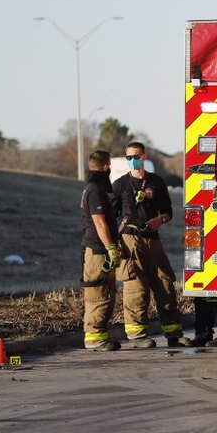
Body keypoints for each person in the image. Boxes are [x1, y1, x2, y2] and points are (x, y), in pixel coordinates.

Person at [112, 141, 188, 348]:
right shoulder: (119, 185)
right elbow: (111, 217)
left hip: (153, 239)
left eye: (136, 156)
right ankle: (137, 336)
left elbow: (168, 212)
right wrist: (113, 245)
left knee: (165, 284)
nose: (132, 160)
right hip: (130, 239)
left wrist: (160, 220)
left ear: (144, 156)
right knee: (136, 288)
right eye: (128, 157)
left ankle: (174, 333)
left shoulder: (157, 182)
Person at [79, 150, 121, 351]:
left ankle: (99, 337)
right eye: (110, 166)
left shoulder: (92, 188)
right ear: (106, 167)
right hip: (97, 251)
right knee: (98, 294)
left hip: (97, 250)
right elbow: (99, 221)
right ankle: (94, 339)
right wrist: (110, 247)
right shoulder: (95, 190)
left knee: (105, 293)